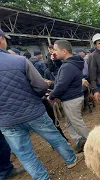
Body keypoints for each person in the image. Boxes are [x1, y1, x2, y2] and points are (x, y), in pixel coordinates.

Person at [0, 29, 82, 180]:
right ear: (1, 40)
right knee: (54, 137)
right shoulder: (19, 61)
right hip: (33, 112)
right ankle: (71, 160)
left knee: (24, 153)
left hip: (6, 120)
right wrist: (37, 96)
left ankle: (41, 178)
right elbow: (41, 86)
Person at [49, 40, 89, 153]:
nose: (54, 52)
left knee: (76, 122)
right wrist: (56, 61)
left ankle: (91, 142)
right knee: (70, 123)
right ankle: (80, 141)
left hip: (71, 99)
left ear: (64, 51)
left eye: (56, 50)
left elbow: (62, 84)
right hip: (73, 97)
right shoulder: (70, 63)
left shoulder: (68, 66)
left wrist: (52, 95)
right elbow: (61, 73)